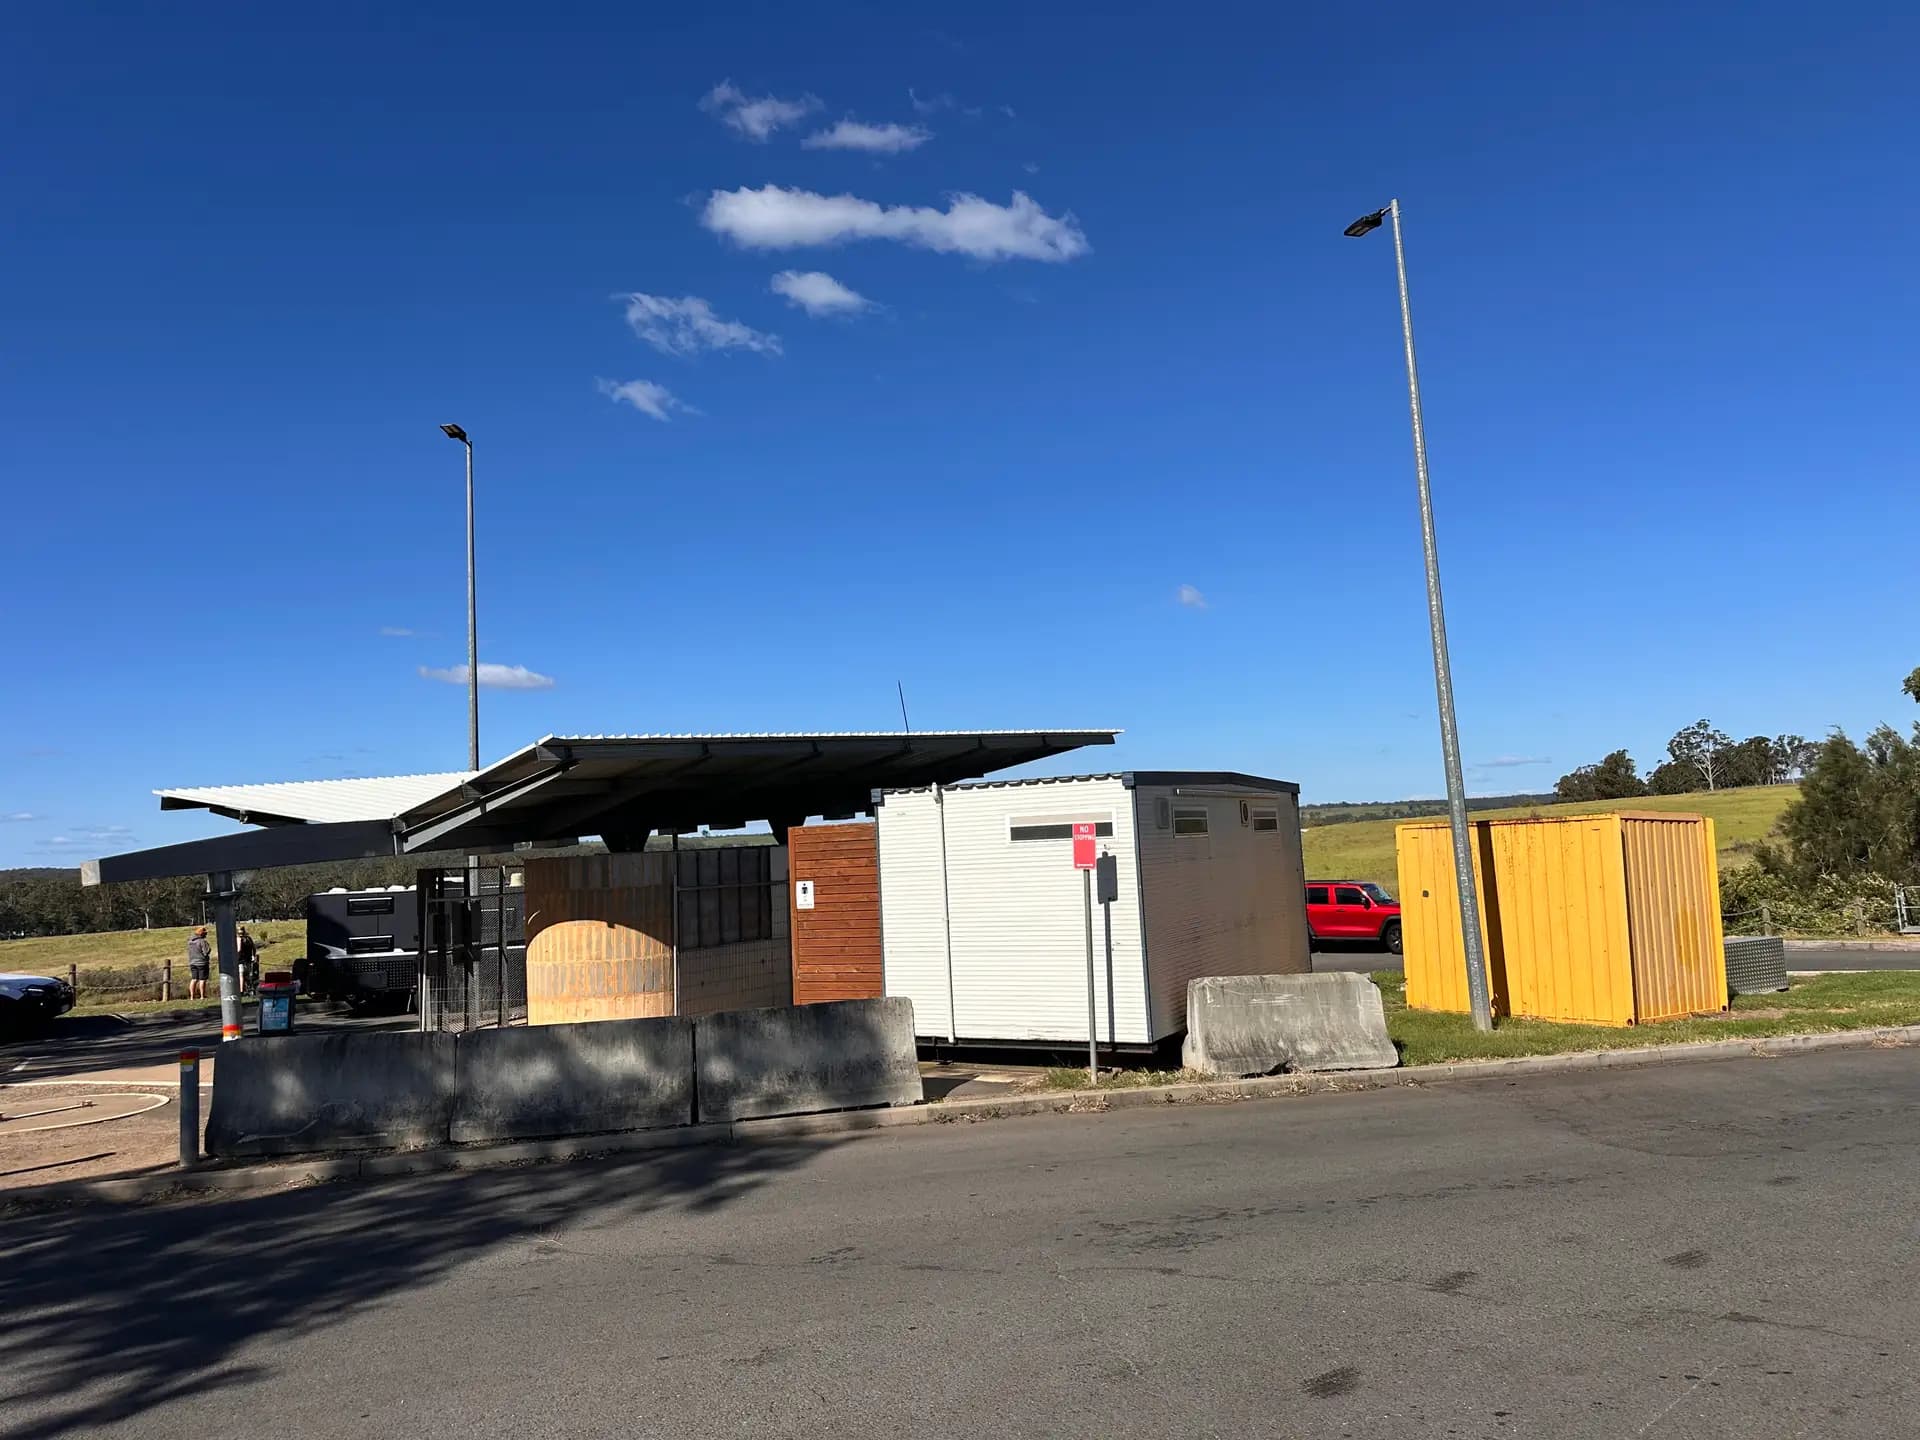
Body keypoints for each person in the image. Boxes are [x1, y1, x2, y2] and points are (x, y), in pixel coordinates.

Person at [186, 926, 212, 1000]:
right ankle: (202, 996)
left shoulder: (190, 942)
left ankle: (191, 997)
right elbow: (206, 951)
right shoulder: (202, 941)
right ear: (201, 934)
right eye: (205, 933)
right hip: (202, 963)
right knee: (202, 979)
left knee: (194, 979)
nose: (206, 935)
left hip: (192, 962)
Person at [236, 925, 259, 996]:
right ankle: (250, 989)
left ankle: (241, 991)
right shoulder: (249, 938)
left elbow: (239, 949)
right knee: (248, 975)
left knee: (241, 975)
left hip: (240, 960)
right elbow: (254, 948)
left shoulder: (239, 939)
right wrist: (253, 955)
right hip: (248, 959)